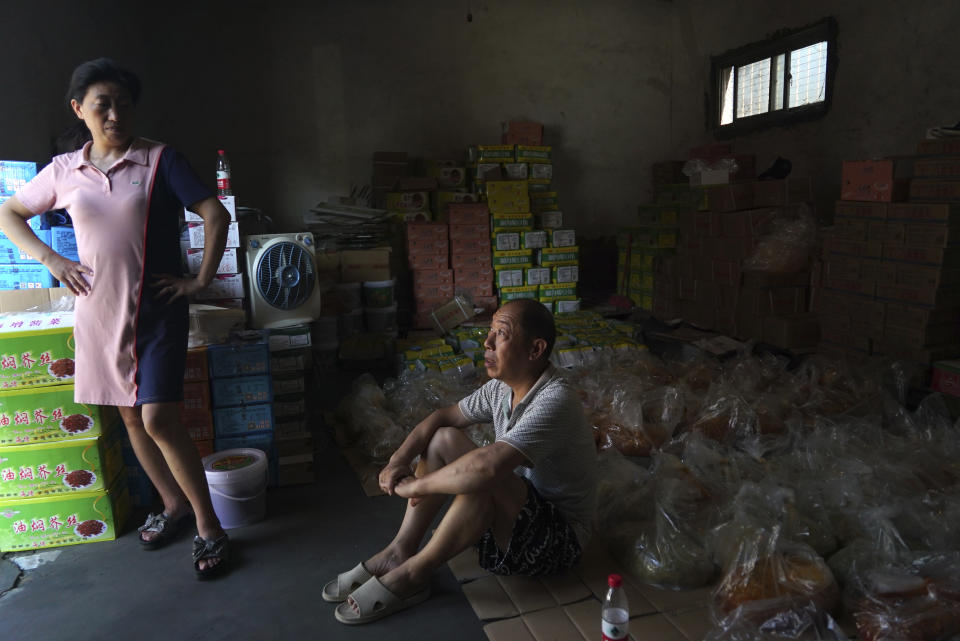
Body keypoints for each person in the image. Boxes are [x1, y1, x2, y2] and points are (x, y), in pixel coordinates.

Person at [0, 58, 232, 578]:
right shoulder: (63, 170)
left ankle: (209, 526)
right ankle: (172, 505)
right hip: (98, 313)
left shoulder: (160, 160)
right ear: (79, 110)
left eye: (123, 103)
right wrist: (52, 260)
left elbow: (215, 214)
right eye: (102, 104)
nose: (114, 114)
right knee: (128, 416)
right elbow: (8, 213)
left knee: (157, 417)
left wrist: (199, 282)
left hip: (155, 313)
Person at [324, 298, 598, 625]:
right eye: (490, 331)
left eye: (501, 334)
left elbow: (488, 467)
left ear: (535, 349)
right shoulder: (500, 388)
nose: (487, 342)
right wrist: (399, 460)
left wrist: (418, 485)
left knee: (482, 475)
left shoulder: (556, 399)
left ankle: (412, 575)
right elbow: (442, 417)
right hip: (518, 511)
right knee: (443, 437)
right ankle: (399, 550)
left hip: (556, 541)